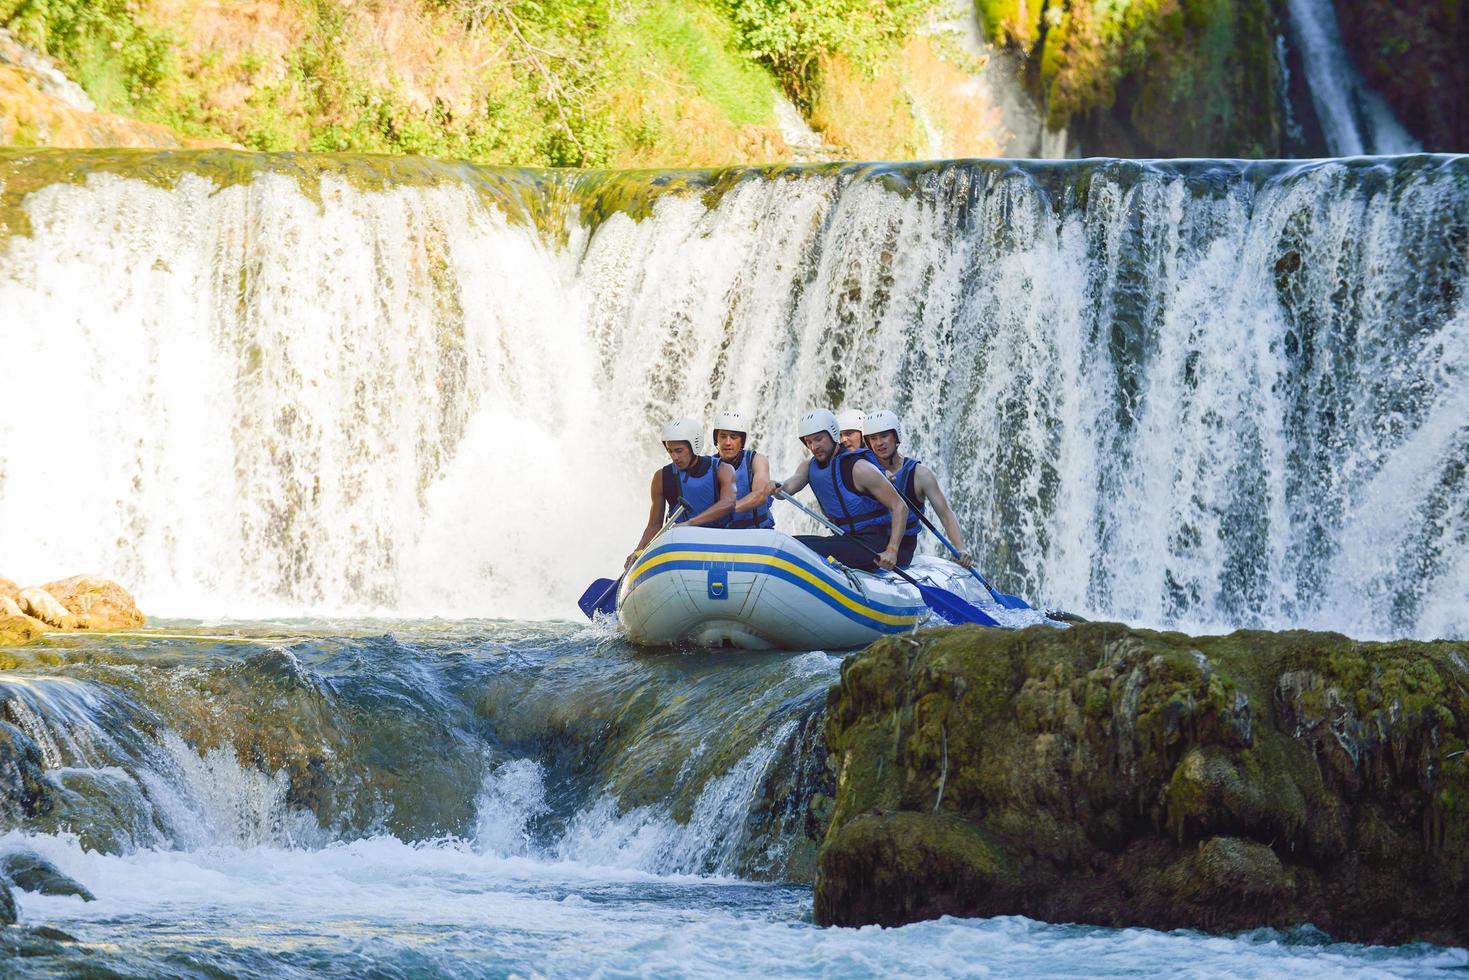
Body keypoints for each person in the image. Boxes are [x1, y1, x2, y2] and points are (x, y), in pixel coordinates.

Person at [762, 409, 908, 571]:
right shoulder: (809, 466)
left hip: (870, 544)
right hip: (844, 538)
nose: (814, 446)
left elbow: (900, 506)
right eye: (809, 442)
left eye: (818, 439)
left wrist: (892, 551)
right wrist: (777, 487)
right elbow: (787, 488)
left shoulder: (859, 468)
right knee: (785, 542)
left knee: (792, 549)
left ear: (833, 435)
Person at [863, 409, 973, 569]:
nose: (879, 443)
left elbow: (945, 514)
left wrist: (960, 548)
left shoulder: (920, 474)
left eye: (884, 436)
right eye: (873, 438)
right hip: (871, 538)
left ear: (896, 436)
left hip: (902, 547)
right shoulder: (863, 469)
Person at [627, 418, 735, 568]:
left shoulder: (722, 469)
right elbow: (654, 525)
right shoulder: (661, 477)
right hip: (680, 545)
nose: (674, 457)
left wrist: (690, 523)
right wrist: (638, 551)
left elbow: (728, 503)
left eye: (679, 451)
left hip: (717, 540)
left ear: (694, 447)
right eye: (670, 451)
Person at [711, 409, 776, 529]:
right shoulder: (709, 465)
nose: (727, 442)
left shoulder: (757, 460)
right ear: (717, 439)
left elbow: (760, 494)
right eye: (723, 437)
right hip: (722, 534)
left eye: (733, 437)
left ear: (742, 440)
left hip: (757, 532)